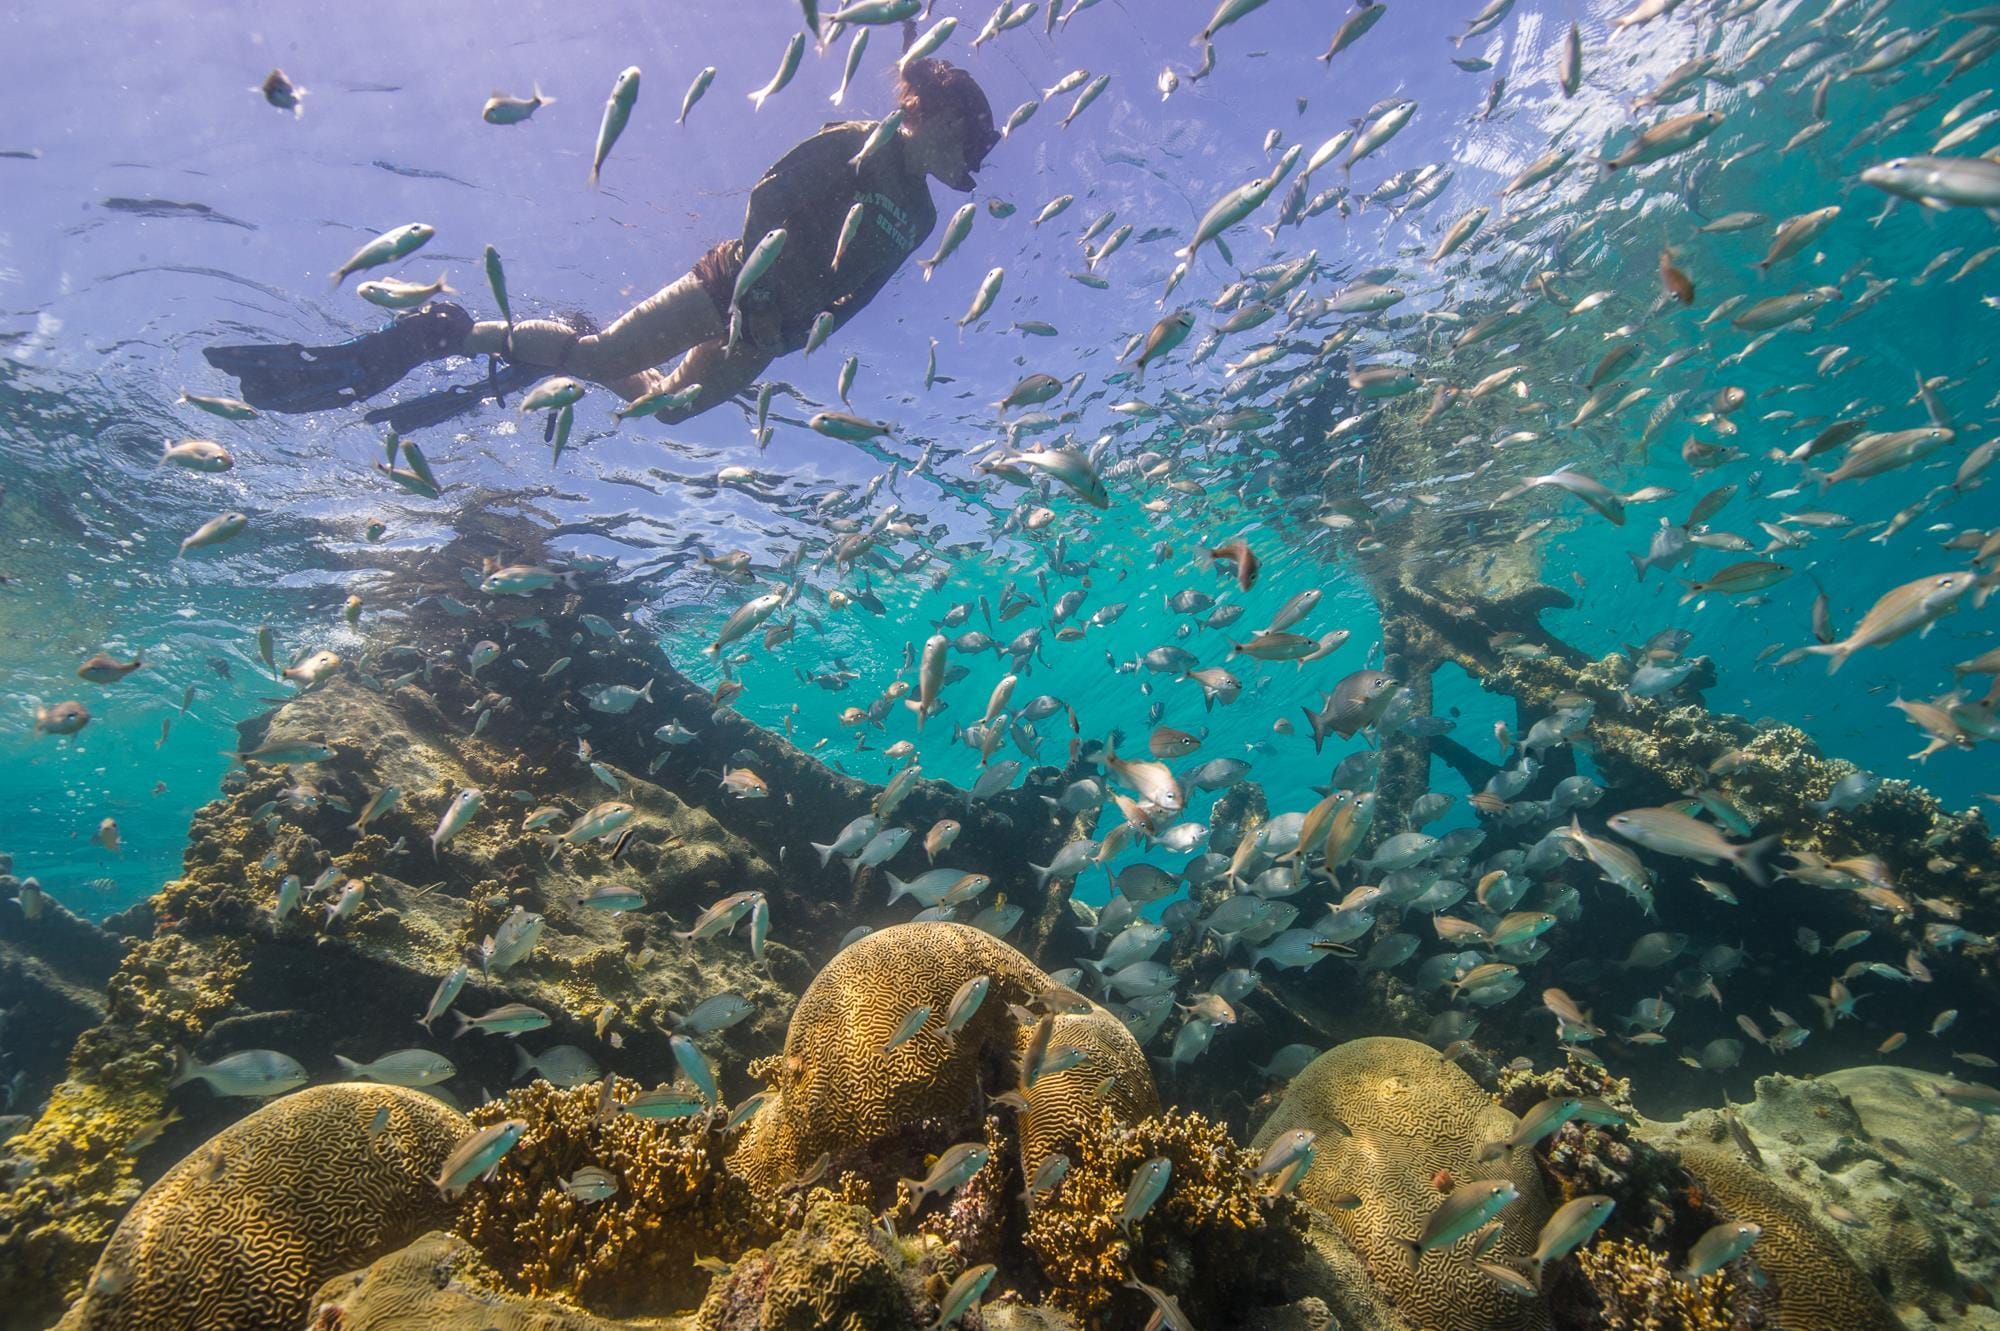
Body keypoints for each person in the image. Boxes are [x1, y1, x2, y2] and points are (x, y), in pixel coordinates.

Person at [204, 58, 999, 431]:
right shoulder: (855, 143)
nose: (972, 161)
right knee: (595, 364)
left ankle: (567, 341)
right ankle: (455, 329)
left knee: (666, 410)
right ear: (934, 116)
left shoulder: (925, 221)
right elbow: (768, 198)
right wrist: (753, 298)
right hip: (727, 288)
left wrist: (796, 337)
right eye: (969, 140)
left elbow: (857, 295)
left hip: (769, 337)